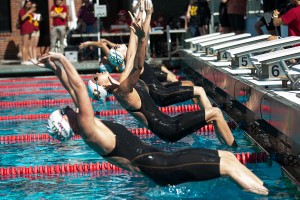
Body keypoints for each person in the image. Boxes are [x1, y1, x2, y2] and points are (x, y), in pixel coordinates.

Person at [35, 13, 268, 198]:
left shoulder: (88, 125)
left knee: (228, 160)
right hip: (159, 165)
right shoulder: (87, 128)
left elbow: (71, 88)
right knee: (226, 165)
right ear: (65, 122)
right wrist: (61, 58)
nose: (67, 108)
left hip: (160, 159)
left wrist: (52, 67)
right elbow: (77, 86)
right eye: (63, 111)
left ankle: (267, 191)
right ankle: (269, 196)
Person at [87, 2, 237, 146]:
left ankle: (228, 146)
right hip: (168, 129)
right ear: (103, 86)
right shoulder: (123, 90)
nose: (96, 73)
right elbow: (137, 65)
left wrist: (139, 22)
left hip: (169, 123)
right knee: (215, 113)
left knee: (213, 114)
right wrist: (142, 36)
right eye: (95, 78)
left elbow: (132, 53)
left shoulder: (121, 82)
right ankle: (235, 151)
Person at [18, 0, 35, 65]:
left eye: (30, 4)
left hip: (30, 29)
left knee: (28, 45)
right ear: (25, 4)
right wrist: (29, 12)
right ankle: (23, 60)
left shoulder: (30, 11)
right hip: (25, 29)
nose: (29, 5)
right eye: (28, 4)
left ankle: (26, 59)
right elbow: (22, 18)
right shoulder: (22, 10)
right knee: (24, 45)